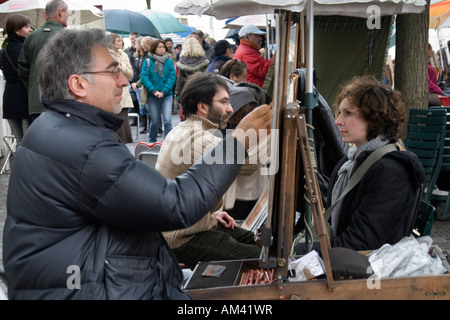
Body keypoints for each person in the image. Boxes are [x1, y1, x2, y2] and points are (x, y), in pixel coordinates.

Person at [2, 28, 272, 300]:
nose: (123, 80)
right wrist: (238, 141)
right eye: (112, 71)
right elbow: (175, 205)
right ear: (78, 84)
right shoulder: (84, 147)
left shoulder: (59, 128)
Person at [155, 72, 269, 267]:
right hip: (181, 237)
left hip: (189, 225)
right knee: (262, 258)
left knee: (259, 243)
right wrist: (273, 128)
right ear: (203, 106)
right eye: (224, 102)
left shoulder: (185, 129)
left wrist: (208, 215)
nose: (230, 109)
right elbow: (250, 163)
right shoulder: (198, 137)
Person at [325, 75, 425, 251]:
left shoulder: (391, 171)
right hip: (348, 261)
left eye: (348, 113)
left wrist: (310, 252)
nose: (337, 121)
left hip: (370, 271)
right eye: (339, 112)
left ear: (373, 119)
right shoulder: (351, 160)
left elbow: (361, 243)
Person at [18, 0, 70, 123]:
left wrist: (34, 88)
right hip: (62, 102)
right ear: (60, 12)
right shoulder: (68, 37)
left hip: (36, 102)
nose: (68, 16)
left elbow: (22, 70)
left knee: (39, 140)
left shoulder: (31, 37)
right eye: (68, 12)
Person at [0, 14, 33, 145]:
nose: (30, 30)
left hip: (9, 101)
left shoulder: (3, 52)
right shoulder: (27, 50)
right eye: (26, 27)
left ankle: (18, 166)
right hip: (25, 100)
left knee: (20, 142)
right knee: (28, 142)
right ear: (16, 30)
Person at [140, 39, 176, 143]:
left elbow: (172, 77)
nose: (162, 49)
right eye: (159, 47)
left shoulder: (169, 62)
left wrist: (164, 91)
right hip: (153, 95)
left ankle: (167, 142)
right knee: (155, 121)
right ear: (154, 49)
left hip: (167, 95)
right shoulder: (148, 61)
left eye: (163, 47)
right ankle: (152, 141)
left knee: (167, 121)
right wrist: (154, 90)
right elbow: (144, 78)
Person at [176, 37, 210, 121]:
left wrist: (180, 97)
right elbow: (207, 78)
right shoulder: (204, 61)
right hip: (202, 93)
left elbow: (179, 81)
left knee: (188, 120)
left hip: (187, 93)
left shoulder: (181, 62)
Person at [108, 33, 133, 143]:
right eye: (118, 41)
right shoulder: (106, 54)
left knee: (123, 124)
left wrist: (120, 66)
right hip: (110, 91)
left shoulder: (124, 55)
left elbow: (130, 74)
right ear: (111, 43)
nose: (121, 43)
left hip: (123, 93)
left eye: (121, 41)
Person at [234, 24, 274, 88]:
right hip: (254, 90)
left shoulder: (245, 49)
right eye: (257, 36)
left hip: (253, 89)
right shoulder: (247, 52)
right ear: (247, 37)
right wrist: (276, 56)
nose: (260, 39)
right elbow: (266, 71)